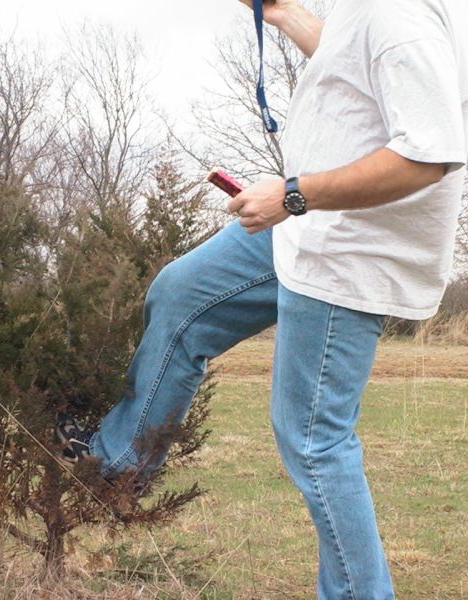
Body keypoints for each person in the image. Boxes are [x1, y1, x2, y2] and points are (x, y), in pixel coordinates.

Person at [55, 0, 468, 597]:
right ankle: (122, 467)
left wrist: (294, 196)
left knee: (313, 440)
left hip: (349, 250)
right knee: (181, 294)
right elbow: (352, 65)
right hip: (307, 229)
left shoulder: (399, 12)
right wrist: (282, 13)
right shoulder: (372, 11)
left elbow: (429, 152)